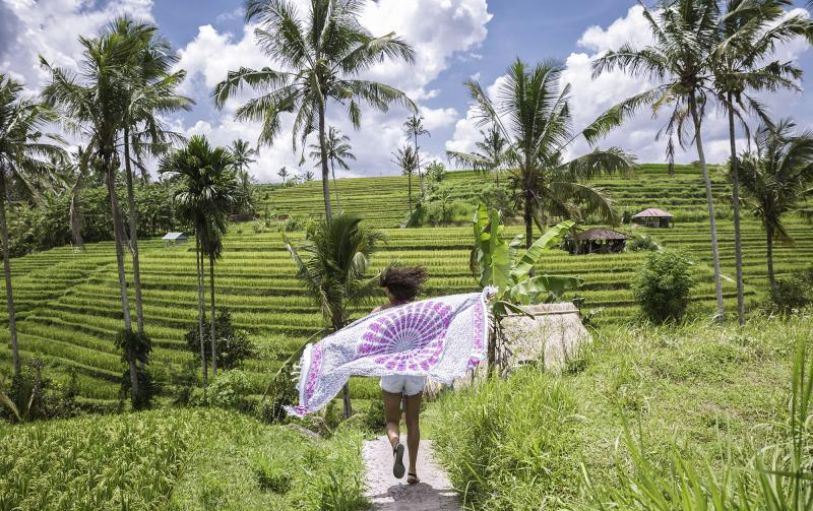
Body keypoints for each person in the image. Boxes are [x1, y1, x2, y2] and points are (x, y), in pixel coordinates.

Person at [372, 266, 429, 485]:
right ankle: (412, 472)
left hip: (391, 370)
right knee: (413, 421)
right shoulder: (419, 311)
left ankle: (396, 445)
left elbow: (370, 341)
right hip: (415, 368)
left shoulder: (380, 312)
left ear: (390, 290)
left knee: (392, 420)